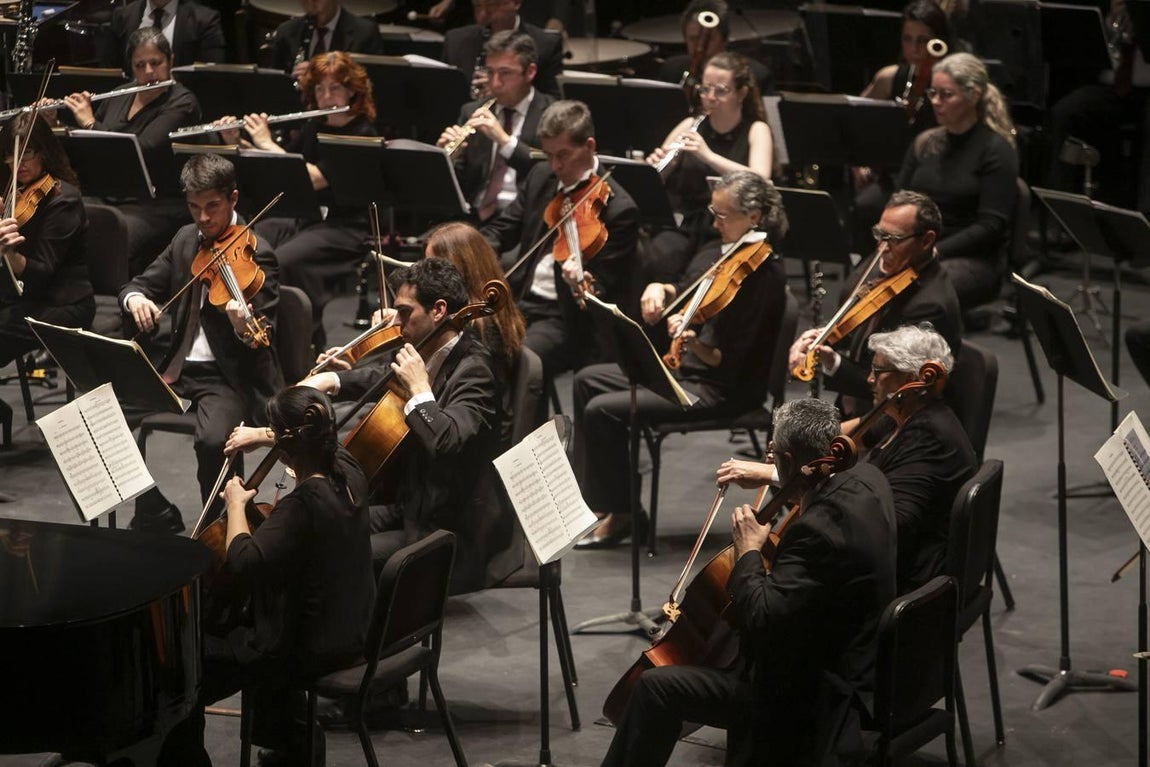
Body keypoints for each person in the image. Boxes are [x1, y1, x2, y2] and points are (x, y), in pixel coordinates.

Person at [601, 397, 897, 766]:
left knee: (655, 686)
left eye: (776, 455)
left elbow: (761, 618)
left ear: (787, 458)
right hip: (859, 661)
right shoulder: (869, 478)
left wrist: (748, 551)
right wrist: (777, 477)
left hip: (811, 696)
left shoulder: (815, 531)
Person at [158, 386, 375, 767]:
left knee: (183, 670)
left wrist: (236, 505)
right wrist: (266, 435)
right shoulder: (349, 471)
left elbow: (243, 561)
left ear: (286, 449)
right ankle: (294, 744)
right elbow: (309, 438)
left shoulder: (302, 505)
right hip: (352, 628)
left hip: (306, 646)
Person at [573, 171, 788, 548]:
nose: (714, 223)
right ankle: (607, 503)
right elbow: (689, 285)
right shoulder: (721, 251)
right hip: (686, 369)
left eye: (723, 216)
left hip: (721, 388)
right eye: (713, 213)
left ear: (754, 217)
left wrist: (695, 343)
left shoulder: (762, 276)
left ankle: (623, 515)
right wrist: (663, 289)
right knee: (586, 380)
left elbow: (730, 363)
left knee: (600, 410)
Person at [297, 258, 518, 594]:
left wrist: (420, 390)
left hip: (446, 531)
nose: (396, 322)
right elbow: (383, 375)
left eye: (404, 312)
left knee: (335, 555)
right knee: (317, 527)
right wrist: (332, 380)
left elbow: (447, 442)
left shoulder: (476, 371)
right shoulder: (432, 350)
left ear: (439, 310)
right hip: (411, 508)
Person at [722, 323, 976, 593]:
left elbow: (887, 521)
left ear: (910, 378)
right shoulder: (901, 414)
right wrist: (792, 443)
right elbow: (843, 436)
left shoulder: (928, 438)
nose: (870, 380)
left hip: (905, 576)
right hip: (887, 553)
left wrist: (775, 474)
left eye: (878, 371)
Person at [120, 153, 284, 534]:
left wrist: (242, 327)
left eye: (212, 206)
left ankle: (220, 530)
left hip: (225, 377)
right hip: (175, 368)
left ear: (233, 198)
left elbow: (264, 337)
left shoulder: (258, 252)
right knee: (101, 413)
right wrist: (136, 300)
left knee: (213, 441)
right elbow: (138, 284)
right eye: (194, 207)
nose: (204, 218)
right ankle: (154, 508)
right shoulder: (184, 239)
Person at [219, 51, 377, 351]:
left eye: (334, 88)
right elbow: (280, 164)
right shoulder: (315, 125)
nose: (326, 96)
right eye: (319, 89)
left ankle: (300, 342)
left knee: (283, 260)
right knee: (247, 242)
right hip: (307, 217)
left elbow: (313, 178)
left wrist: (266, 142)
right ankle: (247, 330)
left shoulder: (361, 134)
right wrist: (235, 141)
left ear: (352, 90)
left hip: (345, 228)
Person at [481, 99, 640, 380]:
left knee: (520, 358)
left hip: (565, 319)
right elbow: (502, 230)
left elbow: (602, 291)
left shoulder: (618, 210)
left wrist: (578, 281)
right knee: (466, 340)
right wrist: (474, 251)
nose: (555, 165)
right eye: (549, 155)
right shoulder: (541, 176)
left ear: (589, 146)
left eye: (563, 155)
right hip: (519, 301)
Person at [788, 190, 962, 418]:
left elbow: (891, 388)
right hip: (853, 405)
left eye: (895, 239)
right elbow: (853, 319)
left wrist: (833, 362)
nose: (882, 247)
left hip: (888, 419)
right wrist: (822, 335)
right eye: (880, 234)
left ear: (926, 240)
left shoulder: (930, 306)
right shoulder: (885, 261)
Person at [45, 28, 203, 276]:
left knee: (111, 235)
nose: (148, 72)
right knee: (57, 214)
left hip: (156, 203)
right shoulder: (119, 96)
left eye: (156, 63)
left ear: (170, 61)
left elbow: (145, 147)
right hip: (107, 195)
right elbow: (89, 147)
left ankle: (114, 294)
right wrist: (54, 123)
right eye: (140, 65)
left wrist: (90, 123)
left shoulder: (183, 102)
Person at [895, 51, 1019, 310]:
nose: (936, 102)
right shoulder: (925, 142)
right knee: (858, 288)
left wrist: (931, 252)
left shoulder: (996, 150)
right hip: (919, 250)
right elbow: (899, 202)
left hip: (973, 260)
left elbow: (990, 226)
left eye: (946, 95)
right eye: (932, 93)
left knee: (915, 296)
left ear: (973, 96)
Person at [645, 51, 773, 287]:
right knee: (656, 260)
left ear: (741, 93)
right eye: (705, 89)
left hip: (728, 228)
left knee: (701, 273)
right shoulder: (690, 125)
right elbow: (652, 181)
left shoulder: (756, 130)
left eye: (721, 91)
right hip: (686, 224)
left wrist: (708, 156)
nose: (710, 98)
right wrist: (663, 167)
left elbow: (761, 180)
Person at [0, 116, 90, 447]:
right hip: (18, 297)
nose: (18, 163)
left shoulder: (64, 200)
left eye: (28, 153)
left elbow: (41, 274)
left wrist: (10, 254)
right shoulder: (10, 192)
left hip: (61, 303)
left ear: (45, 151)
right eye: (11, 155)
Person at [437, 30, 555, 223]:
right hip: (473, 218)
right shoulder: (472, 111)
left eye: (505, 73)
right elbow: (459, 185)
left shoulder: (552, 114)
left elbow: (552, 171)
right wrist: (446, 160)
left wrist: (505, 141)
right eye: (490, 72)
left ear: (530, 72)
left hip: (524, 221)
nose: (495, 83)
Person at [442, 0, 564, 98]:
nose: (483, 14)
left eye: (491, 4)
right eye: (478, 5)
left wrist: (507, 93)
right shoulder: (455, 41)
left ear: (516, 3)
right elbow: (444, 94)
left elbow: (553, 102)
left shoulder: (546, 45)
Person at [655, 0, 773, 98]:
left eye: (709, 39)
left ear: (724, 40)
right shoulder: (671, 71)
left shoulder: (756, 76)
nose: (700, 47)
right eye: (693, 39)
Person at [268, 0, 384, 79]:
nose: (310, 1)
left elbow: (371, 85)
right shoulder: (287, 32)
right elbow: (275, 82)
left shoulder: (364, 33)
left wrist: (323, 75)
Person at [105, 0, 226, 69]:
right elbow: (110, 73)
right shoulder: (122, 16)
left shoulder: (204, 20)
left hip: (183, 103)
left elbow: (211, 76)